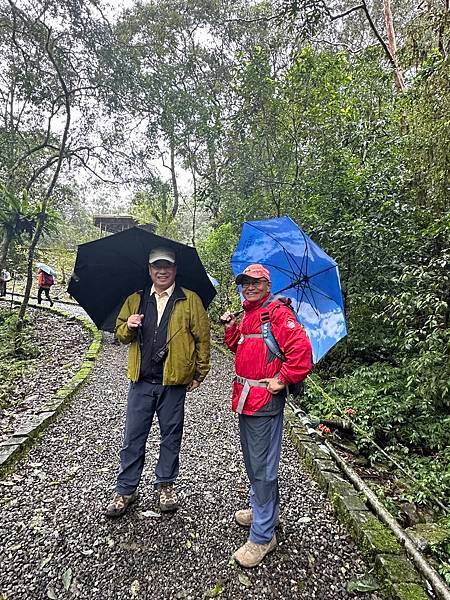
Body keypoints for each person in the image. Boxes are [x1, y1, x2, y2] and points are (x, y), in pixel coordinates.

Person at [106, 247, 211, 518]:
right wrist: (128, 326)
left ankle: (166, 485)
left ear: (175, 269)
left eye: (167, 266)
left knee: (171, 436)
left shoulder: (190, 300)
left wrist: (199, 373)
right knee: (132, 437)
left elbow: (202, 338)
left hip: (173, 383)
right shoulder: (136, 299)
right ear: (149, 269)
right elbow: (120, 335)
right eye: (156, 266)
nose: (161, 271)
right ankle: (126, 489)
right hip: (141, 381)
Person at [221, 264, 312, 568]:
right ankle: (265, 513)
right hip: (247, 400)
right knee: (256, 463)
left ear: (267, 283)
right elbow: (237, 347)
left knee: (262, 467)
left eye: (255, 282)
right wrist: (232, 326)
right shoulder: (250, 313)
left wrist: (283, 378)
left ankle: (263, 536)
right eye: (245, 283)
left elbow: (302, 353)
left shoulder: (277, 313)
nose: (249, 286)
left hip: (264, 401)